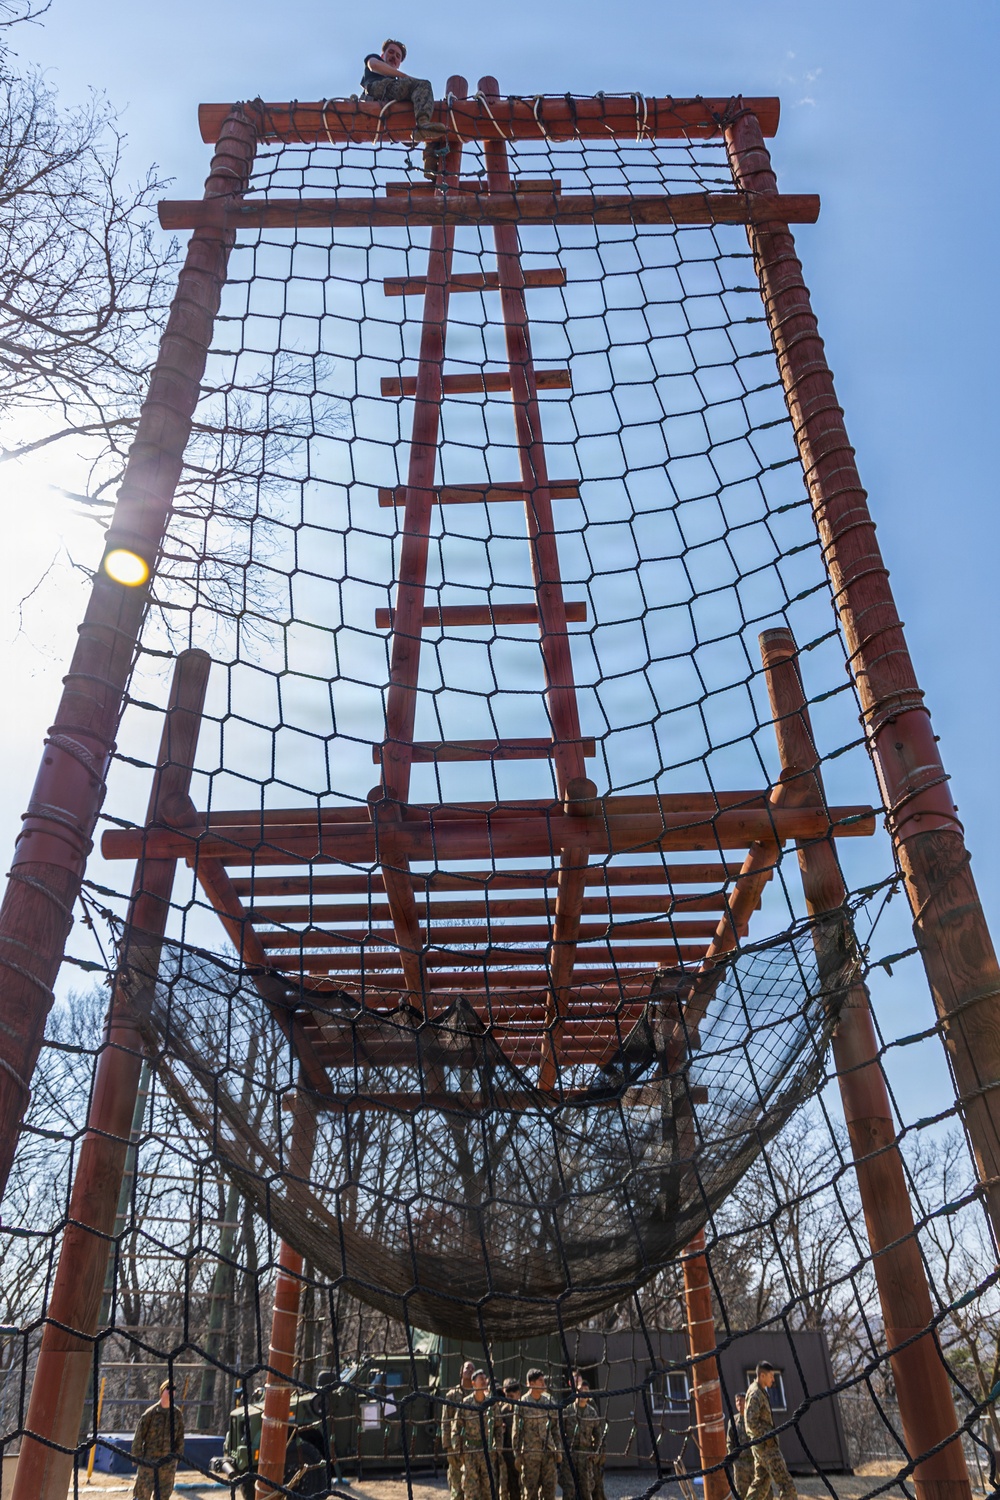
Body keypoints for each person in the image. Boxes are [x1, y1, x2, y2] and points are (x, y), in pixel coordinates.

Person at [360, 40, 447, 178]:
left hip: (393, 108)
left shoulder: (399, 83)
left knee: (432, 115)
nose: (394, 57)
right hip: (378, 93)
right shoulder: (375, 59)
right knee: (423, 85)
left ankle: (430, 159)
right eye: (391, 52)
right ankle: (422, 124)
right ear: (382, 55)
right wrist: (407, 78)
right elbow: (374, 65)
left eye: (398, 56)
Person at [744, 1363, 796, 1500]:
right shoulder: (756, 1393)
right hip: (766, 1447)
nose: (773, 1379)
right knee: (786, 1485)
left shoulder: (760, 1391)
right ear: (762, 1375)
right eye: (771, 1376)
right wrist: (768, 1436)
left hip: (761, 1446)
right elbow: (751, 1423)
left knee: (761, 1484)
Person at [131, 1379, 185, 1500]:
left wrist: (177, 1457)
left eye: (173, 1389)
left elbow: (180, 1438)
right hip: (149, 1462)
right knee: (142, 1495)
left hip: (168, 1463)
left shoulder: (177, 1415)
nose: (171, 1392)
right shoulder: (150, 1413)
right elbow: (139, 1436)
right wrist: (137, 1457)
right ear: (162, 1392)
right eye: (168, 1389)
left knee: (163, 1495)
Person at [513, 1368, 558, 1500]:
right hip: (530, 1455)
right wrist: (517, 1454)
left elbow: (555, 1428)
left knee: (549, 1491)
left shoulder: (549, 1402)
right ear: (531, 1383)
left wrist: (558, 1449)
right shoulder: (522, 1404)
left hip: (548, 1452)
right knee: (530, 1492)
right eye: (540, 1381)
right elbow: (517, 1431)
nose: (544, 1384)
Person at [454, 1369, 498, 1500]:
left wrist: (497, 1448)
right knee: (471, 1491)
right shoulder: (465, 1404)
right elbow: (456, 1429)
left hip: (487, 1452)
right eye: (481, 1379)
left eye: (485, 1379)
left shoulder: (491, 1404)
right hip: (470, 1452)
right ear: (473, 1383)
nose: (484, 1381)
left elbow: (498, 1427)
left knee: (489, 1490)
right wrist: (459, 1451)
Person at [560, 1379, 600, 1500]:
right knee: (569, 1490)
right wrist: (562, 1452)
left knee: (586, 1490)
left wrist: (595, 1452)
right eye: (580, 1391)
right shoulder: (567, 1411)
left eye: (586, 1391)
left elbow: (598, 1435)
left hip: (585, 1456)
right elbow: (559, 1433)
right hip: (570, 1455)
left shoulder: (592, 1413)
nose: (583, 1394)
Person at [442, 1360, 477, 1500]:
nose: (470, 1370)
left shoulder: (478, 1395)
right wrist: (448, 1446)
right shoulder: (452, 1395)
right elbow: (446, 1421)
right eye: (467, 1368)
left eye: (473, 1369)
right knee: (456, 1484)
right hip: (456, 1445)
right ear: (461, 1372)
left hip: (473, 1446)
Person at [726, 1392, 755, 1500]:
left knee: (758, 1491)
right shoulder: (733, 1421)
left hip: (754, 1461)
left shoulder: (753, 1418)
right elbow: (729, 1441)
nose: (739, 1403)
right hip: (740, 1465)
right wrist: (734, 1459)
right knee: (741, 1493)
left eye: (741, 1400)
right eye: (737, 1401)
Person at [497, 1378, 522, 1500]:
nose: (509, 1399)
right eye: (507, 1396)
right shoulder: (503, 1411)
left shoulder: (524, 1409)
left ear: (518, 1394)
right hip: (507, 1456)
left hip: (521, 1455)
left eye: (512, 1396)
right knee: (507, 1488)